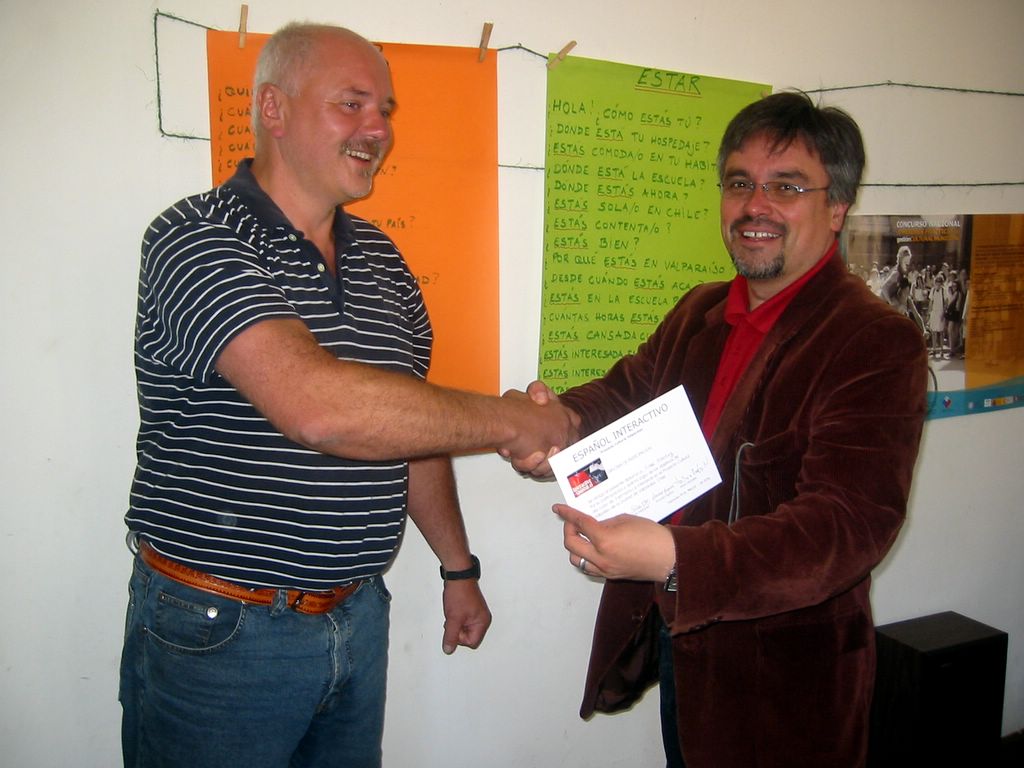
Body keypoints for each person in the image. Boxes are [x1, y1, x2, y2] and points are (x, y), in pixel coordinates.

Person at [120, 22, 574, 768]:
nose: (378, 129)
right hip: (220, 628)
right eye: (352, 104)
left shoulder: (384, 262)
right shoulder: (197, 237)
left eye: (384, 110)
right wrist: (511, 421)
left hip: (357, 614)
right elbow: (321, 410)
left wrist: (458, 567)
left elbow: (409, 428)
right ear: (274, 108)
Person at [513, 92, 928, 767]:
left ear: (836, 207)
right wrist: (556, 423)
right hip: (684, 646)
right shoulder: (700, 311)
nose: (754, 206)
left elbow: (846, 527)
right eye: (739, 184)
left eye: (786, 187)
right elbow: (625, 393)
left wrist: (675, 558)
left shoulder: (875, 342)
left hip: (786, 681)